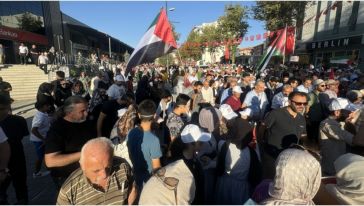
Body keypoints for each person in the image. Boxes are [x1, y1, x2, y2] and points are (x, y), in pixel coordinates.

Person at [57, 137, 137, 205]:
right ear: (82, 166)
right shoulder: (68, 191)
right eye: (96, 171)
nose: (104, 175)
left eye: (108, 168)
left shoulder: (122, 166)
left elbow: (132, 189)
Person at [45, 96, 97, 188]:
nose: (86, 113)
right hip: (68, 177)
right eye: (82, 111)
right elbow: (50, 161)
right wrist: (84, 154)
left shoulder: (86, 122)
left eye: (87, 109)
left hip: (89, 172)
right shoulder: (57, 129)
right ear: (69, 113)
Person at [258, 91, 308, 179]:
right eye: (298, 103)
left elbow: (303, 136)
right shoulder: (276, 114)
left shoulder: (301, 118)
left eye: (305, 103)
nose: (302, 106)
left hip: (291, 159)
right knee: (270, 183)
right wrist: (261, 144)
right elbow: (262, 128)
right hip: (272, 157)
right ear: (289, 102)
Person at [215, 118, 262, 205]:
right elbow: (255, 174)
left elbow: (219, 166)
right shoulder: (251, 152)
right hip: (241, 188)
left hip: (224, 184)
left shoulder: (224, 145)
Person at [169, 124, 209, 204]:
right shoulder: (183, 166)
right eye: (201, 142)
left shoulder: (187, 157)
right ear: (192, 144)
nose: (203, 143)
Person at [127, 99, 162, 191]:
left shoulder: (131, 132)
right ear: (154, 115)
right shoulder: (154, 140)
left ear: (139, 115)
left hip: (135, 178)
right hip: (148, 182)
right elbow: (157, 168)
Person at [0, 95, 29, 204]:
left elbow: (21, 136)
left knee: (21, 186)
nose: (4, 112)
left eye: (6, 108)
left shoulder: (19, 120)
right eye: (1, 109)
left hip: (17, 157)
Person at [319, 99, 354, 176]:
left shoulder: (340, 122)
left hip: (340, 163)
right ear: (337, 112)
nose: (351, 114)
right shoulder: (327, 124)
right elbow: (347, 137)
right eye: (348, 112)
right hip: (331, 167)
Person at [30, 99, 51, 178]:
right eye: (47, 106)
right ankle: (36, 172)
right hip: (39, 140)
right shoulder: (40, 117)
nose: (49, 107)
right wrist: (43, 139)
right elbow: (34, 130)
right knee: (40, 157)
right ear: (42, 107)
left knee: (45, 154)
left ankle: (49, 168)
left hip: (42, 138)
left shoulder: (43, 113)